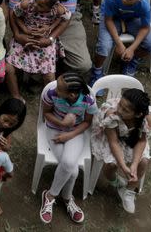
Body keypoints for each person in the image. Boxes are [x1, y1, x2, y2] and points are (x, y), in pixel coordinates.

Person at [39, 72, 96, 225]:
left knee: (69, 164)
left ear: (71, 94)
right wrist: (63, 124)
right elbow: (46, 114)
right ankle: (67, 198)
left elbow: (86, 123)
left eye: (59, 88)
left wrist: (69, 135)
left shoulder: (88, 101)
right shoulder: (51, 94)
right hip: (54, 130)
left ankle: (50, 195)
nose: (55, 89)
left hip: (76, 133)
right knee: (72, 169)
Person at [91, 88, 151, 214]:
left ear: (138, 114)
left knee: (144, 162)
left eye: (125, 110)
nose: (119, 110)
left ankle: (129, 190)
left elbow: (142, 141)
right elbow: (113, 143)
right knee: (111, 165)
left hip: (132, 139)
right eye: (120, 105)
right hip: (110, 138)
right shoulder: (112, 115)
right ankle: (117, 183)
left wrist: (134, 164)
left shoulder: (145, 119)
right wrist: (124, 167)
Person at [5, 0, 70, 100]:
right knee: (9, 68)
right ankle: (16, 96)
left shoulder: (58, 9)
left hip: (44, 41)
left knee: (49, 75)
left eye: (40, 5)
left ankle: (50, 99)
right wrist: (23, 29)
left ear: (51, 7)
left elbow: (65, 19)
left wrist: (50, 34)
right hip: (24, 38)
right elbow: (14, 14)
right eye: (35, 0)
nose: (35, 5)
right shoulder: (27, 3)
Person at [93, 0, 151, 84]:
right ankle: (96, 71)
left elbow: (145, 27)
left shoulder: (144, 5)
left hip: (133, 19)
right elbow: (108, 20)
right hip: (113, 18)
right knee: (104, 46)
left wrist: (132, 48)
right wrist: (119, 43)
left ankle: (131, 61)